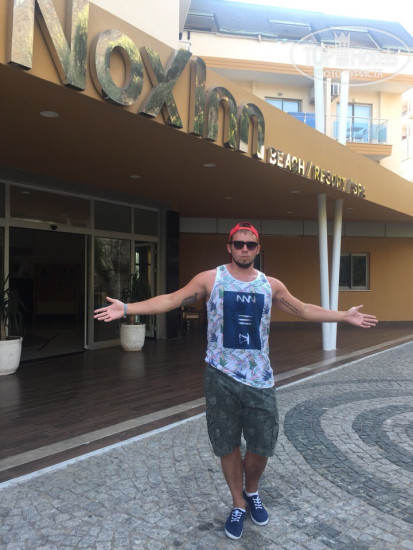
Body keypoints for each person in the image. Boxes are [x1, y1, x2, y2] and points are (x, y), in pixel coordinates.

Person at [94, 221, 378, 540]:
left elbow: (302, 309)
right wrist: (127, 308)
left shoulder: (270, 285)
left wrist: (343, 316)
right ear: (229, 247)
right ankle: (238, 503)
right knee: (226, 443)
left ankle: (252, 490)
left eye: (250, 244)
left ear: (258, 249)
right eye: (239, 244)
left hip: (260, 379)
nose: (244, 249)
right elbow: (171, 300)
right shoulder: (210, 279)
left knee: (262, 444)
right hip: (220, 376)